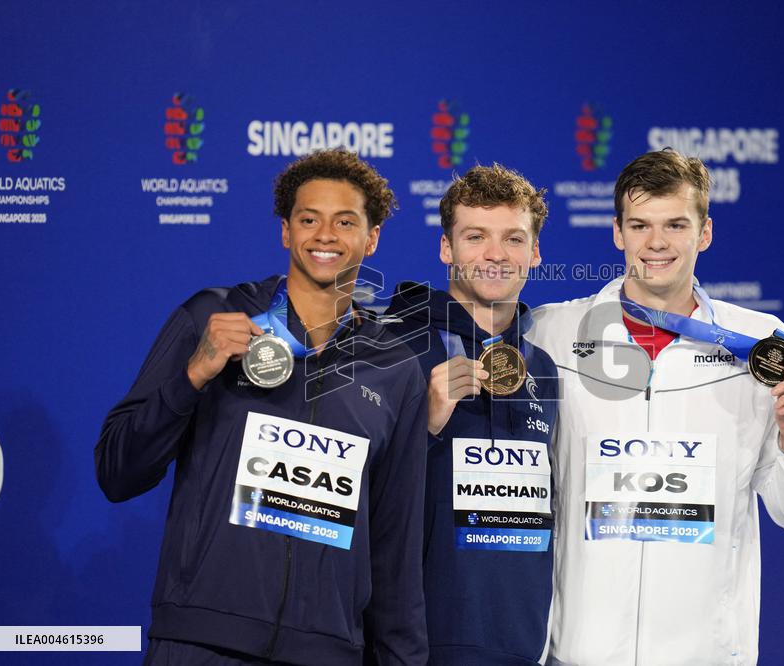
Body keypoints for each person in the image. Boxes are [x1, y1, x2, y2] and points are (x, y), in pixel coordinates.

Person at [95, 149, 428, 666]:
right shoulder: (214, 315)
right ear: (286, 231)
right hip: (202, 643)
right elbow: (118, 471)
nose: (325, 236)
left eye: (345, 222)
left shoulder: (396, 368)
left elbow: (395, 546)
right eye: (308, 219)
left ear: (373, 236)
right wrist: (193, 376)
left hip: (325, 653)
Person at [527, 149, 784, 665]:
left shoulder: (761, 344)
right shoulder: (553, 333)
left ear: (705, 232)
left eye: (675, 224)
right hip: (580, 652)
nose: (657, 243)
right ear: (617, 233)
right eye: (640, 225)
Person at [380, 164, 559, 665]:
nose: (496, 254)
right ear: (446, 248)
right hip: (416, 647)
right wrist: (426, 425)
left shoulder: (542, 367)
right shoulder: (393, 349)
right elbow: (352, 502)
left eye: (514, 238)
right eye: (475, 236)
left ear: (535, 252)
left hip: (521, 647)